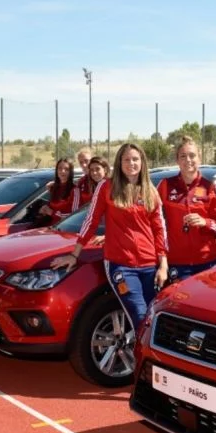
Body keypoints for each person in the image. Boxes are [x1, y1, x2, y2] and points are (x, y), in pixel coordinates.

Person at [52, 143, 167, 333]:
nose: (131, 163)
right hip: (120, 265)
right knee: (139, 315)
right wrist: (74, 254)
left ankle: (143, 355)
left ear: (142, 162)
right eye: (127, 159)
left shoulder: (150, 191)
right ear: (119, 162)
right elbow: (91, 221)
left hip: (149, 265)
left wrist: (163, 264)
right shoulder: (107, 187)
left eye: (135, 159)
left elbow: (159, 229)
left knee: (152, 315)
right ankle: (143, 359)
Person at [157, 135, 216, 281]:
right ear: (177, 160)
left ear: (199, 158)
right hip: (177, 263)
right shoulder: (165, 185)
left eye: (192, 155)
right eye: (183, 156)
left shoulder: (211, 187)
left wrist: (204, 222)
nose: (188, 160)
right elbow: (149, 218)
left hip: (208, 262)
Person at [40, 157, 78, 222]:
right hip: (50, 227)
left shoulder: (75, 190)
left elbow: (74, 216)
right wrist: (44, 209)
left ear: (70, 172)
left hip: (64, 228)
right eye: (60, 168)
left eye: (66, 169)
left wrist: (52, 212)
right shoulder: (53, 187)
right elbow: (51, 207)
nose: (62, 171)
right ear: (56, 170)